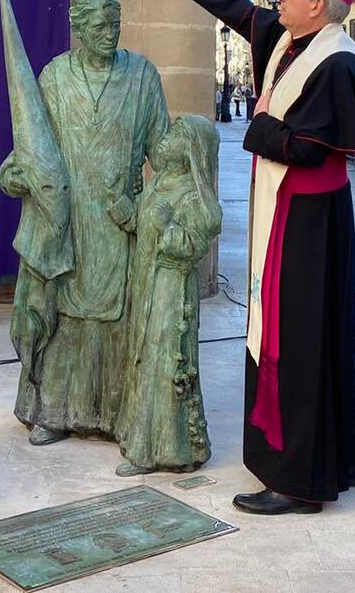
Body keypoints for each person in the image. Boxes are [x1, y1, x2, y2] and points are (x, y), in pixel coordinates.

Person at [154, 0, 355, 516]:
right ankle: (313, 460)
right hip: (287, 214)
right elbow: (234, 9)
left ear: (319, 9)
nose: (282, 0)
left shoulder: (336, 65)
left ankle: (298, 481)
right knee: (289, 334)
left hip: (309, 221)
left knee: (297, 340)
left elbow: (309, 147)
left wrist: (255, 130)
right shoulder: (291, 40)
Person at [0, 0, 169, 446]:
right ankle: (55, 409)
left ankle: (118, 413)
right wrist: (16, 175)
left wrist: (150, 205)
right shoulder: (55, 78)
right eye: (98, 27)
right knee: (65, 313)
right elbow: (30, 148)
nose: (109, 35)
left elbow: (164, 153)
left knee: (118, 318)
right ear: (77, 30)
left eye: (115, 25)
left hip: (119, 220)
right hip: (68, 220)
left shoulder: (141, 77)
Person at [115, 115, 221, 477]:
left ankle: (172, 449)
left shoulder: (194, 197)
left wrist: (167, 226)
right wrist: (128, 212)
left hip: (173, 292)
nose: (165, 138)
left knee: (166, 364)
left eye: (175, 133)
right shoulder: (159, 183)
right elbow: (144, 225)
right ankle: (142, 441)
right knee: (145, 360)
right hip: (148, 285)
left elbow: (193, 246)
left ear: (190, 149)